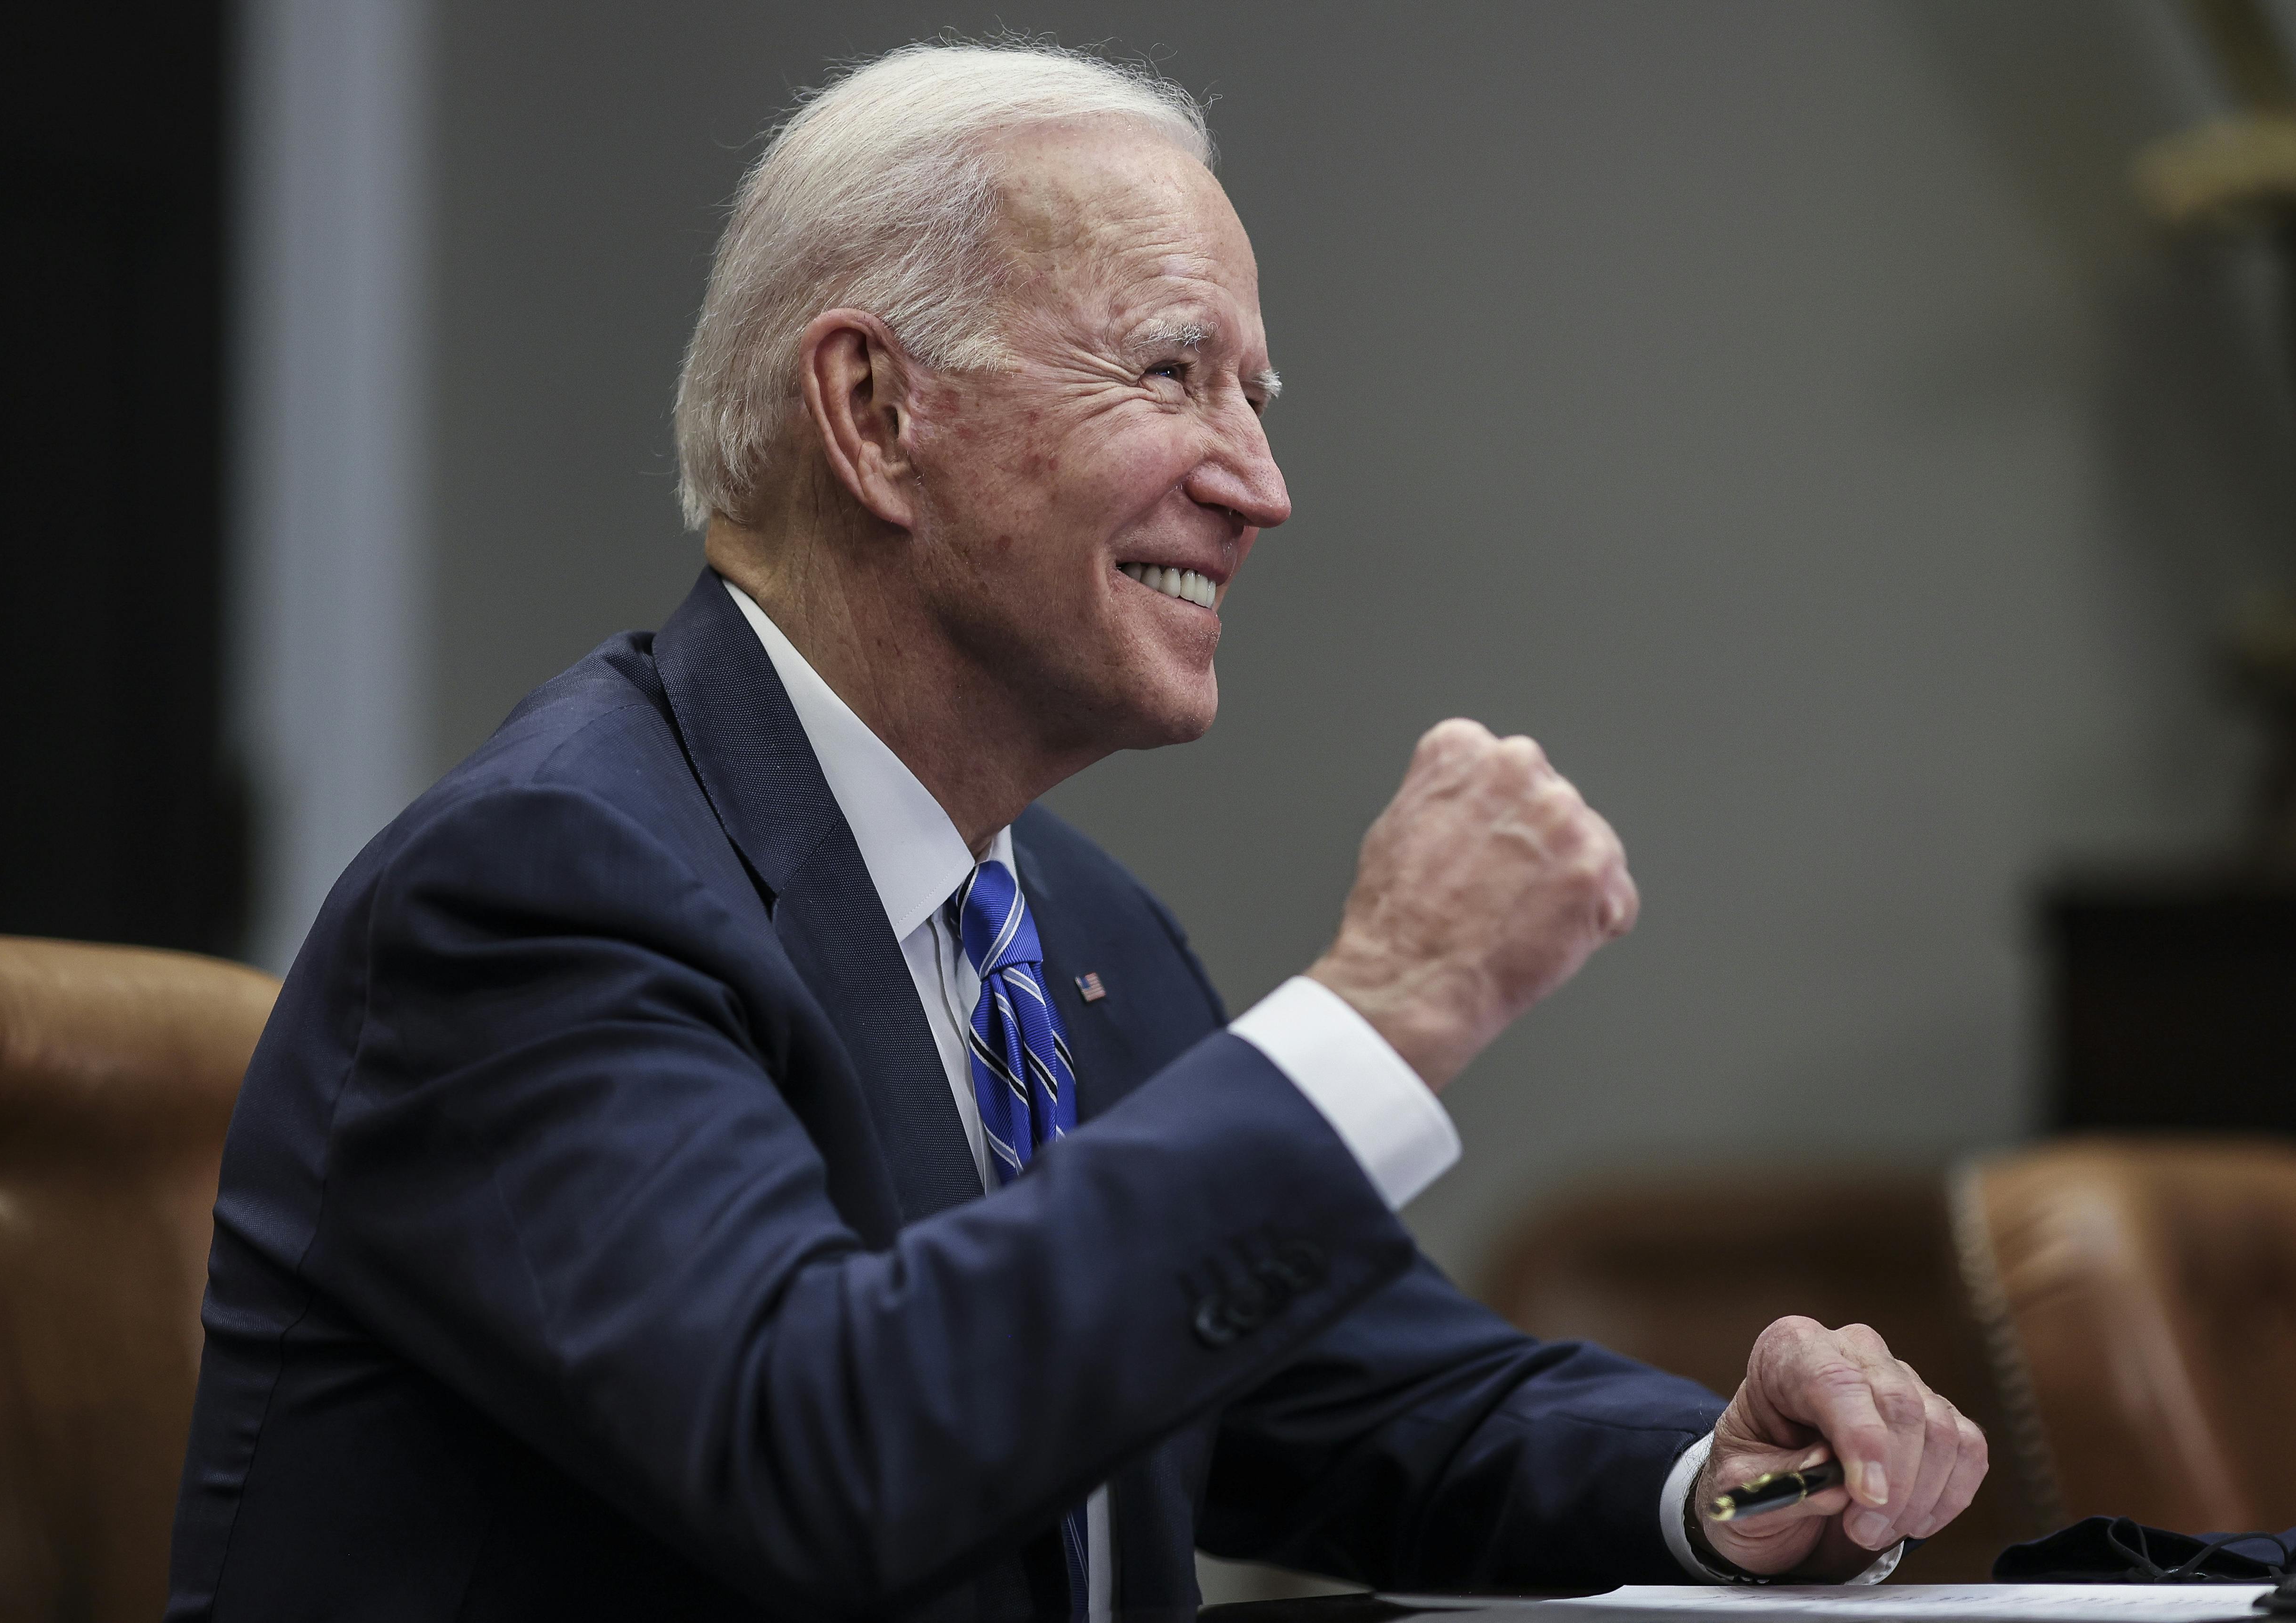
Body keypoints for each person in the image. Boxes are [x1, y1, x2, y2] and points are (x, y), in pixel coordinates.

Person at [167, 41, 1987, 1622]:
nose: (1260, 487)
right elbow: (819, 1446)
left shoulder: (1066, 931)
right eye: (1173, 374)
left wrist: (1725, 1481)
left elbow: (1344, 1394)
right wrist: (1392, 1003)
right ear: (877, 415)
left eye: (1255, 403)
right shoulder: (544, 892)